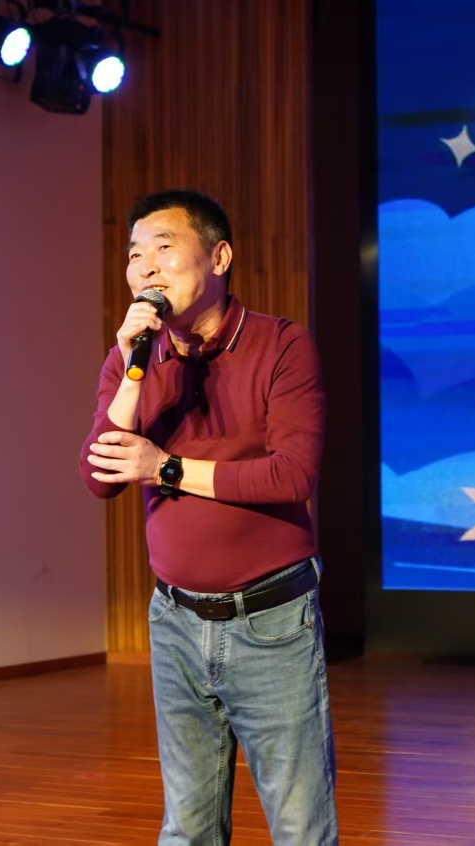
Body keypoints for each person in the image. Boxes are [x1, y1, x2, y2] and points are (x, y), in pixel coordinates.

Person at [79, 189, 338, 844]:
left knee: (300, 826)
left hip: (271, 621)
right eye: (134, 255)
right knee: (187, 827)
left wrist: (164, 467)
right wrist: (132, 370)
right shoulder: (134, 357)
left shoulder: (281, 344)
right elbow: (99, 477)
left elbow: (292, 475)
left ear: (218, 257)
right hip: (174, 620)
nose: (145, 266)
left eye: (163, 247)